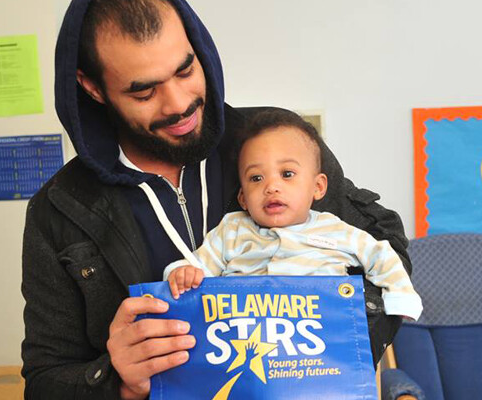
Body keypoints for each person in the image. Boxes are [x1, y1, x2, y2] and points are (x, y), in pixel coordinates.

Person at [21, 0, 411, 398]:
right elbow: (44, 381)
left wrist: (344, 336)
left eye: (185, 69)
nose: (177, 104)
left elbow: (383, 241)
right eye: (144, 91)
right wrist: (118, 380)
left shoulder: (273, 143)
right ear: (93, 88)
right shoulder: (61, 208)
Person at [165, 109, 423, 322]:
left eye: (287, 174)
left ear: (318, 187)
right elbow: (198, 266)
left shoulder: (335, 229)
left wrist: (399, 297)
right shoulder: (231, 230)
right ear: (243, 198)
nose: (271, 187)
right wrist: (181, 273)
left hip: (320, 334)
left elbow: (381, 255)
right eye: (256, 178)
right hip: (246, 335)